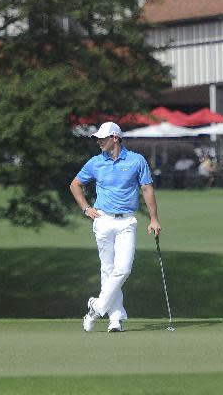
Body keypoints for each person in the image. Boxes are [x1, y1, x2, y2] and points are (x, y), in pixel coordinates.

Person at [69, 121, 162, 333]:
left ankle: (96, 307)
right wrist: (85, 208)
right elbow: (75, 184)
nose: (99, 142)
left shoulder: (136, 160)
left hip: (127, 221)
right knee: (108, 270)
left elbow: (147, 189)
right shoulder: (95, 162)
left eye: (102, 138)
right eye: (98, 138)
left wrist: (154, 219)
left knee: (123, 269)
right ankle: (115, 318)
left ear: (115, 138)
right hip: (103, 220)